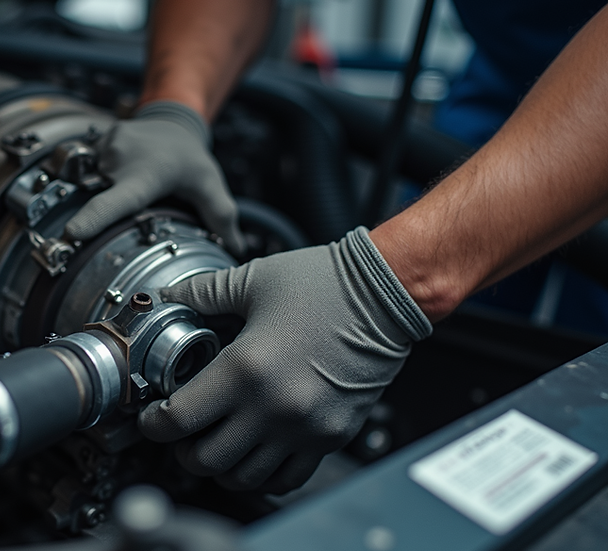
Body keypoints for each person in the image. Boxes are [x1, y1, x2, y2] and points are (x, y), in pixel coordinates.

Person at [64, 0, 608, 493]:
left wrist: (378, 289)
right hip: (502, 73)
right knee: (444, 378)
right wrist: (176, 106)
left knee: (581, 386)